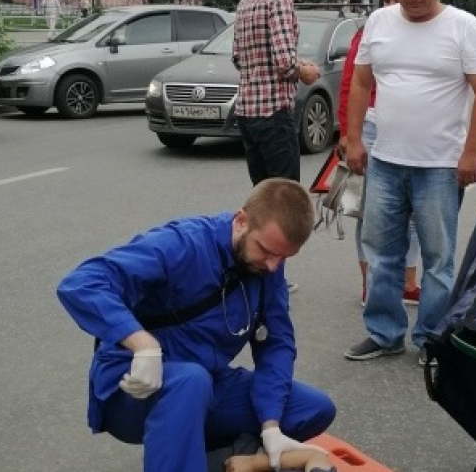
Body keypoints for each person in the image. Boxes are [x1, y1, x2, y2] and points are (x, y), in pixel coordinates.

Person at [56, 178, 336, 472]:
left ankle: (222, 461)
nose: (273, 266)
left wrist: (271, 426)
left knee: (313, 408)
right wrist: (143, 344)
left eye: (284, 257)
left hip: (206, 382)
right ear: (241, 221)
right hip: (133, 389)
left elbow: (276, 343)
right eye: (266, 250)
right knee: (191, 380)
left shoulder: (267, 267)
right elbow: (82, 282)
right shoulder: (184, 244)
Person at [343, 0, 476, 365]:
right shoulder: (379, 22)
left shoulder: (464, 28)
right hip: (386, 161)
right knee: (381, 253)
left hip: (441, 166)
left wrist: (471, 153)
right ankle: (385, 332)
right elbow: (360, 83)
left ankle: (432, 338)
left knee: (437, 259)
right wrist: (353, 139)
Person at [337, 0, 421, 308]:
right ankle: (369, 283)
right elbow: (350, 84)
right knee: (368, 213)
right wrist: (348, 134)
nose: (400, 2)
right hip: (372, 127)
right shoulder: (371, 32)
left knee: (413, 213)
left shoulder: (426, 30)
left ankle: (407, 283)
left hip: (412, 134)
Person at [232, 0, 321, 185]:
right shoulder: (279, 0)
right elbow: (285, 64)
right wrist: (306, 72)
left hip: (247, 114)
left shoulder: (246, 1)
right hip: (274, 114)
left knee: (262, 196)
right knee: (285, 196)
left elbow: (239, 58)